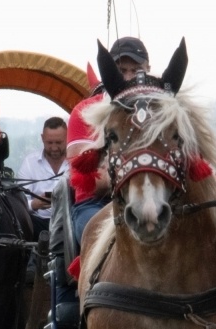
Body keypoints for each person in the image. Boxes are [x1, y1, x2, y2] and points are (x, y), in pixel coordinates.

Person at [69, 36, 151, 248]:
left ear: (148, 70)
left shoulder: (157, 111)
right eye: (121, 70)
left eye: (136, 71)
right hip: (95, 204)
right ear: (109, 71)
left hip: (151, 197)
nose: (128, 77)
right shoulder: (84, 112)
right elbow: (87, 181)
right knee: (103, 243)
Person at [18, 117, 69, 240]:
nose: (54, 148)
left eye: (59, 143)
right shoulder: (30, 162)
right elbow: (19, 201)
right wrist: (34, 204)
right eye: (49, 143)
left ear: (68, 138)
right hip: (38, 222)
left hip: (70, 220)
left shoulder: (76, 161)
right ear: (42, 138)